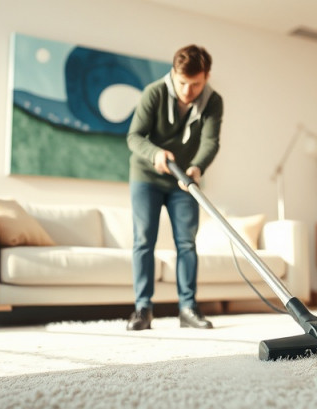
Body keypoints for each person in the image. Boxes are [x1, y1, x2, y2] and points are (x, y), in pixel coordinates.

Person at [125, 45, 223, 331]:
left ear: (206, 77)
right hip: (147, 177)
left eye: (196, 84)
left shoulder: (214, 101)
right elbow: (134, 136)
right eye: (182, 83)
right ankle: (143, 309)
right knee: (144, 240)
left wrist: (197, 167)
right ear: (173, 73)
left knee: (186, 243)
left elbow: (210, 141)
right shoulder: (153, 93)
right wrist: (155, 153)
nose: (188, 90)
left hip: (185, 179)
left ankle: (188, 309)